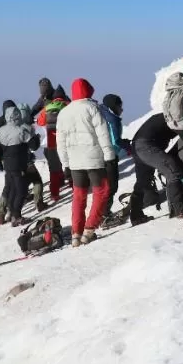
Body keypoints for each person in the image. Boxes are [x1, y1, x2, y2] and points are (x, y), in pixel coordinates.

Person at [56, 78, 117, 246]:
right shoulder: (92, 108)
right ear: (89, 91)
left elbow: (60, 142)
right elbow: (103, 134)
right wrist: (110, 156)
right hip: (94, 159)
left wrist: (65, 164)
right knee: (102, 192)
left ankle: (76, 234)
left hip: (75, 162)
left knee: (79, 196)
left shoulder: (64, 112)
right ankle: (89, 230)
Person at [129, 112, 183, 223]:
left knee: (143, 181)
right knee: (172, 170)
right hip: (146, 145)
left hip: (137, 144)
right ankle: (179, 208)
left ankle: (136, 215)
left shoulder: (165, 116)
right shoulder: (177, 116)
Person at [0, 105, 39, 227]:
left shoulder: (1, 130)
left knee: (11, 189)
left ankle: (10, 213)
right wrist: (36, 137)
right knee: (22, 190)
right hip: (19, 165)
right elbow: (34, 146)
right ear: (18, 115)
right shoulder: (21, 131)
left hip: (7, 165)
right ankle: (16, 216)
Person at [36, 84, 70, 203]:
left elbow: (40, 122)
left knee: (54, 169)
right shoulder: (68, 105)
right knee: (70, 165)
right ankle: (73, 186)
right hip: (66, 141)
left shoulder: (48, 107)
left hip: (52, 142)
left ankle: (54, 194)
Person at [98, 93, 128, 223]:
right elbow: (115, 141)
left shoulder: (103, 114)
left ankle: (102, 212)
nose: (121, 109)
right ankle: (104, 215)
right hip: (109, 156)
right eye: (119, 106)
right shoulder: (112, 119)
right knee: (111, 186)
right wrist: (127, 146)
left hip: (101, 155)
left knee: (105, 186)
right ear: (113, 106)